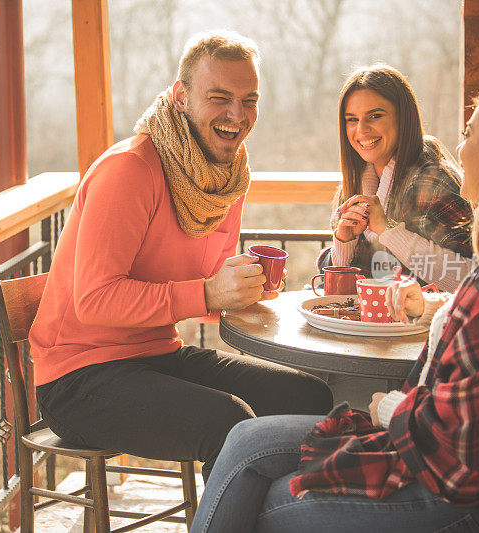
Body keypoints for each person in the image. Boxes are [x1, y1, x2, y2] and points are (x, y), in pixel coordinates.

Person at [190, 86, 479, 532]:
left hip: (445, 487)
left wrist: (387, 409)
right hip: (446, 453)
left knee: (258, 501)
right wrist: (431, 303)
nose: (459, 148)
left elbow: (452, 441)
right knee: (246, 437)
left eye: (469, 133)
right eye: (352, 119)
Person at [28, 30, 333, 482]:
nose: (237, 115)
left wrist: (242, 292)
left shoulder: (226, 180)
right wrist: (209, 291)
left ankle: (285, 517)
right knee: (228, 421)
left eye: (249, 100)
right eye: (219, 98)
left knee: (311, 398)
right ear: (181, 97)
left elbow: (201, 296)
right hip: (78, 378)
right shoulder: (130, 171)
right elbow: (93, 301)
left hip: (156, 355)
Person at [319, 64, 475, 293]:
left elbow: (471, 278)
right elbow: (335, 294)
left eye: (375, 116)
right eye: (352, 119)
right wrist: (343, 243)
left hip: (424, 326)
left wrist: (389, 231)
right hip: (368, 325)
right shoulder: (353, 186)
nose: (361, 129)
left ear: (403, 118)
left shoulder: (433, 181)